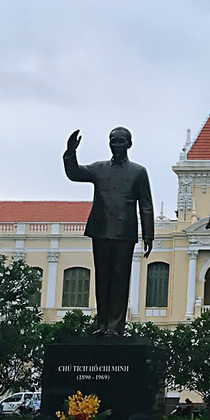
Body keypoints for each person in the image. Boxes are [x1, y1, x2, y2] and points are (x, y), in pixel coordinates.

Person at [63, 127, 155, 337]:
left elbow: (146, 206)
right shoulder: (99, 168)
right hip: (101, 230)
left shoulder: (138, 172)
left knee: (120, 280)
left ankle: (115, 326)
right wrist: (70, 152)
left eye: (121, 141)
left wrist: (148, 235)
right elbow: (74, 173)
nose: (116, 145)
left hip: (124, 233)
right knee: (102, 279)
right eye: (113, 141)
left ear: (129, 144)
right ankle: (101, 324)